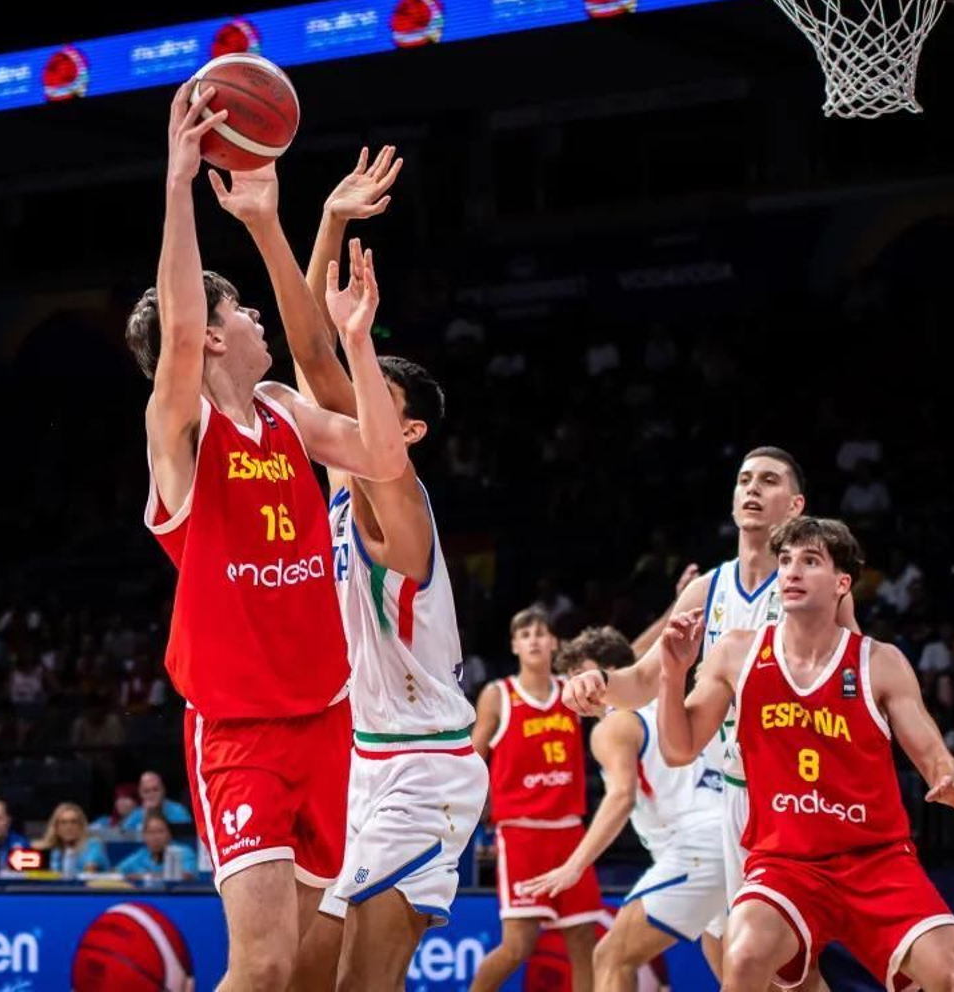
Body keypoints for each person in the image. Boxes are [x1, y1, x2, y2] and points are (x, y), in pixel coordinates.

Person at [127, 79, 408, 989]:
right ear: (213, 340)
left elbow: (380, 453)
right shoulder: (183, 436)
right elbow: (177, 335)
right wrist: (179, 184)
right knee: (263, 962)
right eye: (240, 310)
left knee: (312, 966)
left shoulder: (284, 411)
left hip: (327, 720)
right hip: (240, 733)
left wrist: (354, 340)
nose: (256, 318)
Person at [210, 145, 486, 991]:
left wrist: (349, 334)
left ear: (409, 432)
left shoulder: (395, 501)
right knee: (298, 977)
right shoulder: (342, 487)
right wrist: (323, 224)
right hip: (359, 760)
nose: (350, 410)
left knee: (361, 985)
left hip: (424, 768)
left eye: (376, 405)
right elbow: (309, 356)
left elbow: (326, 365)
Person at [655, 516, 954, 992]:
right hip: (785, 862)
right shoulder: (737, 653)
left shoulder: (879, 662)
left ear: (842, 583)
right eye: (786, 561)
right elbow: (679, 748)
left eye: (810, 561)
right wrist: (672, 673)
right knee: (741, 957)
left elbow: (934, 754)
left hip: (877, 861)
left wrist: (949, 778)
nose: (791, 571)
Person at [565, 447, 855, 982]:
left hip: (793, 798)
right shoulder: (708, 591)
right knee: (766, 971)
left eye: (768, 481)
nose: (752, 488)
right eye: (745, 479)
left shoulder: (815, 589)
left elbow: (854, 683)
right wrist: (599, 683)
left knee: (778, 967)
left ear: (795, 506)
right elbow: (642, 680)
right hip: (733, 800)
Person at [524, 627, 726, 989]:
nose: (574, 688)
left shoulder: (614, 725)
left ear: (610, 673)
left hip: (698, 846)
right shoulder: (668, 700)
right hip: (734, 839)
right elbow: (645, 648)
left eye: (580, 674)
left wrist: (574, 865)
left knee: (611, 956)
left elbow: (621, 797)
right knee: (747, 978)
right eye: (569, 679)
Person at [469, 608, 600, 992]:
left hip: (570, 832)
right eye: (525, 634)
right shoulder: (499, 695)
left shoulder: (571, 690)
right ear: (514, 645)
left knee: (584, 943)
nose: (534, 640)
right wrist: (474, 817)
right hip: (521, 834)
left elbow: (627, 668)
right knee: (518, 946)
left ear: (554, 642)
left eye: (541, 633)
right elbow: (473, 761)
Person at [115, 812, 198, 883]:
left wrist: (145, 876)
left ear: (169, 834)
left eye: (160, 831)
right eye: (151, 832)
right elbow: (116, 873)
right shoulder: (140, 855)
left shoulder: (183, 852)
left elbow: (187, 876)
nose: (156, 837)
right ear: (144, 836)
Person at [38, 801, 108, 876]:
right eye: (63, 822)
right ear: (56, 828)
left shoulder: (93, 846)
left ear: (81, 826)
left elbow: (89, 871)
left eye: (73, 822)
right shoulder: (55, 850)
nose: (69, 827)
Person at [120, 770, 194, 833]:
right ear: (140, 793)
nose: (151, 795)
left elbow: (189, 836)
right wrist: (147, 816)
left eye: (155, 790)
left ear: (163, 790)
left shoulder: (179, 810)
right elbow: (122, 835)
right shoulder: (136, 814)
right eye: (146, 791)